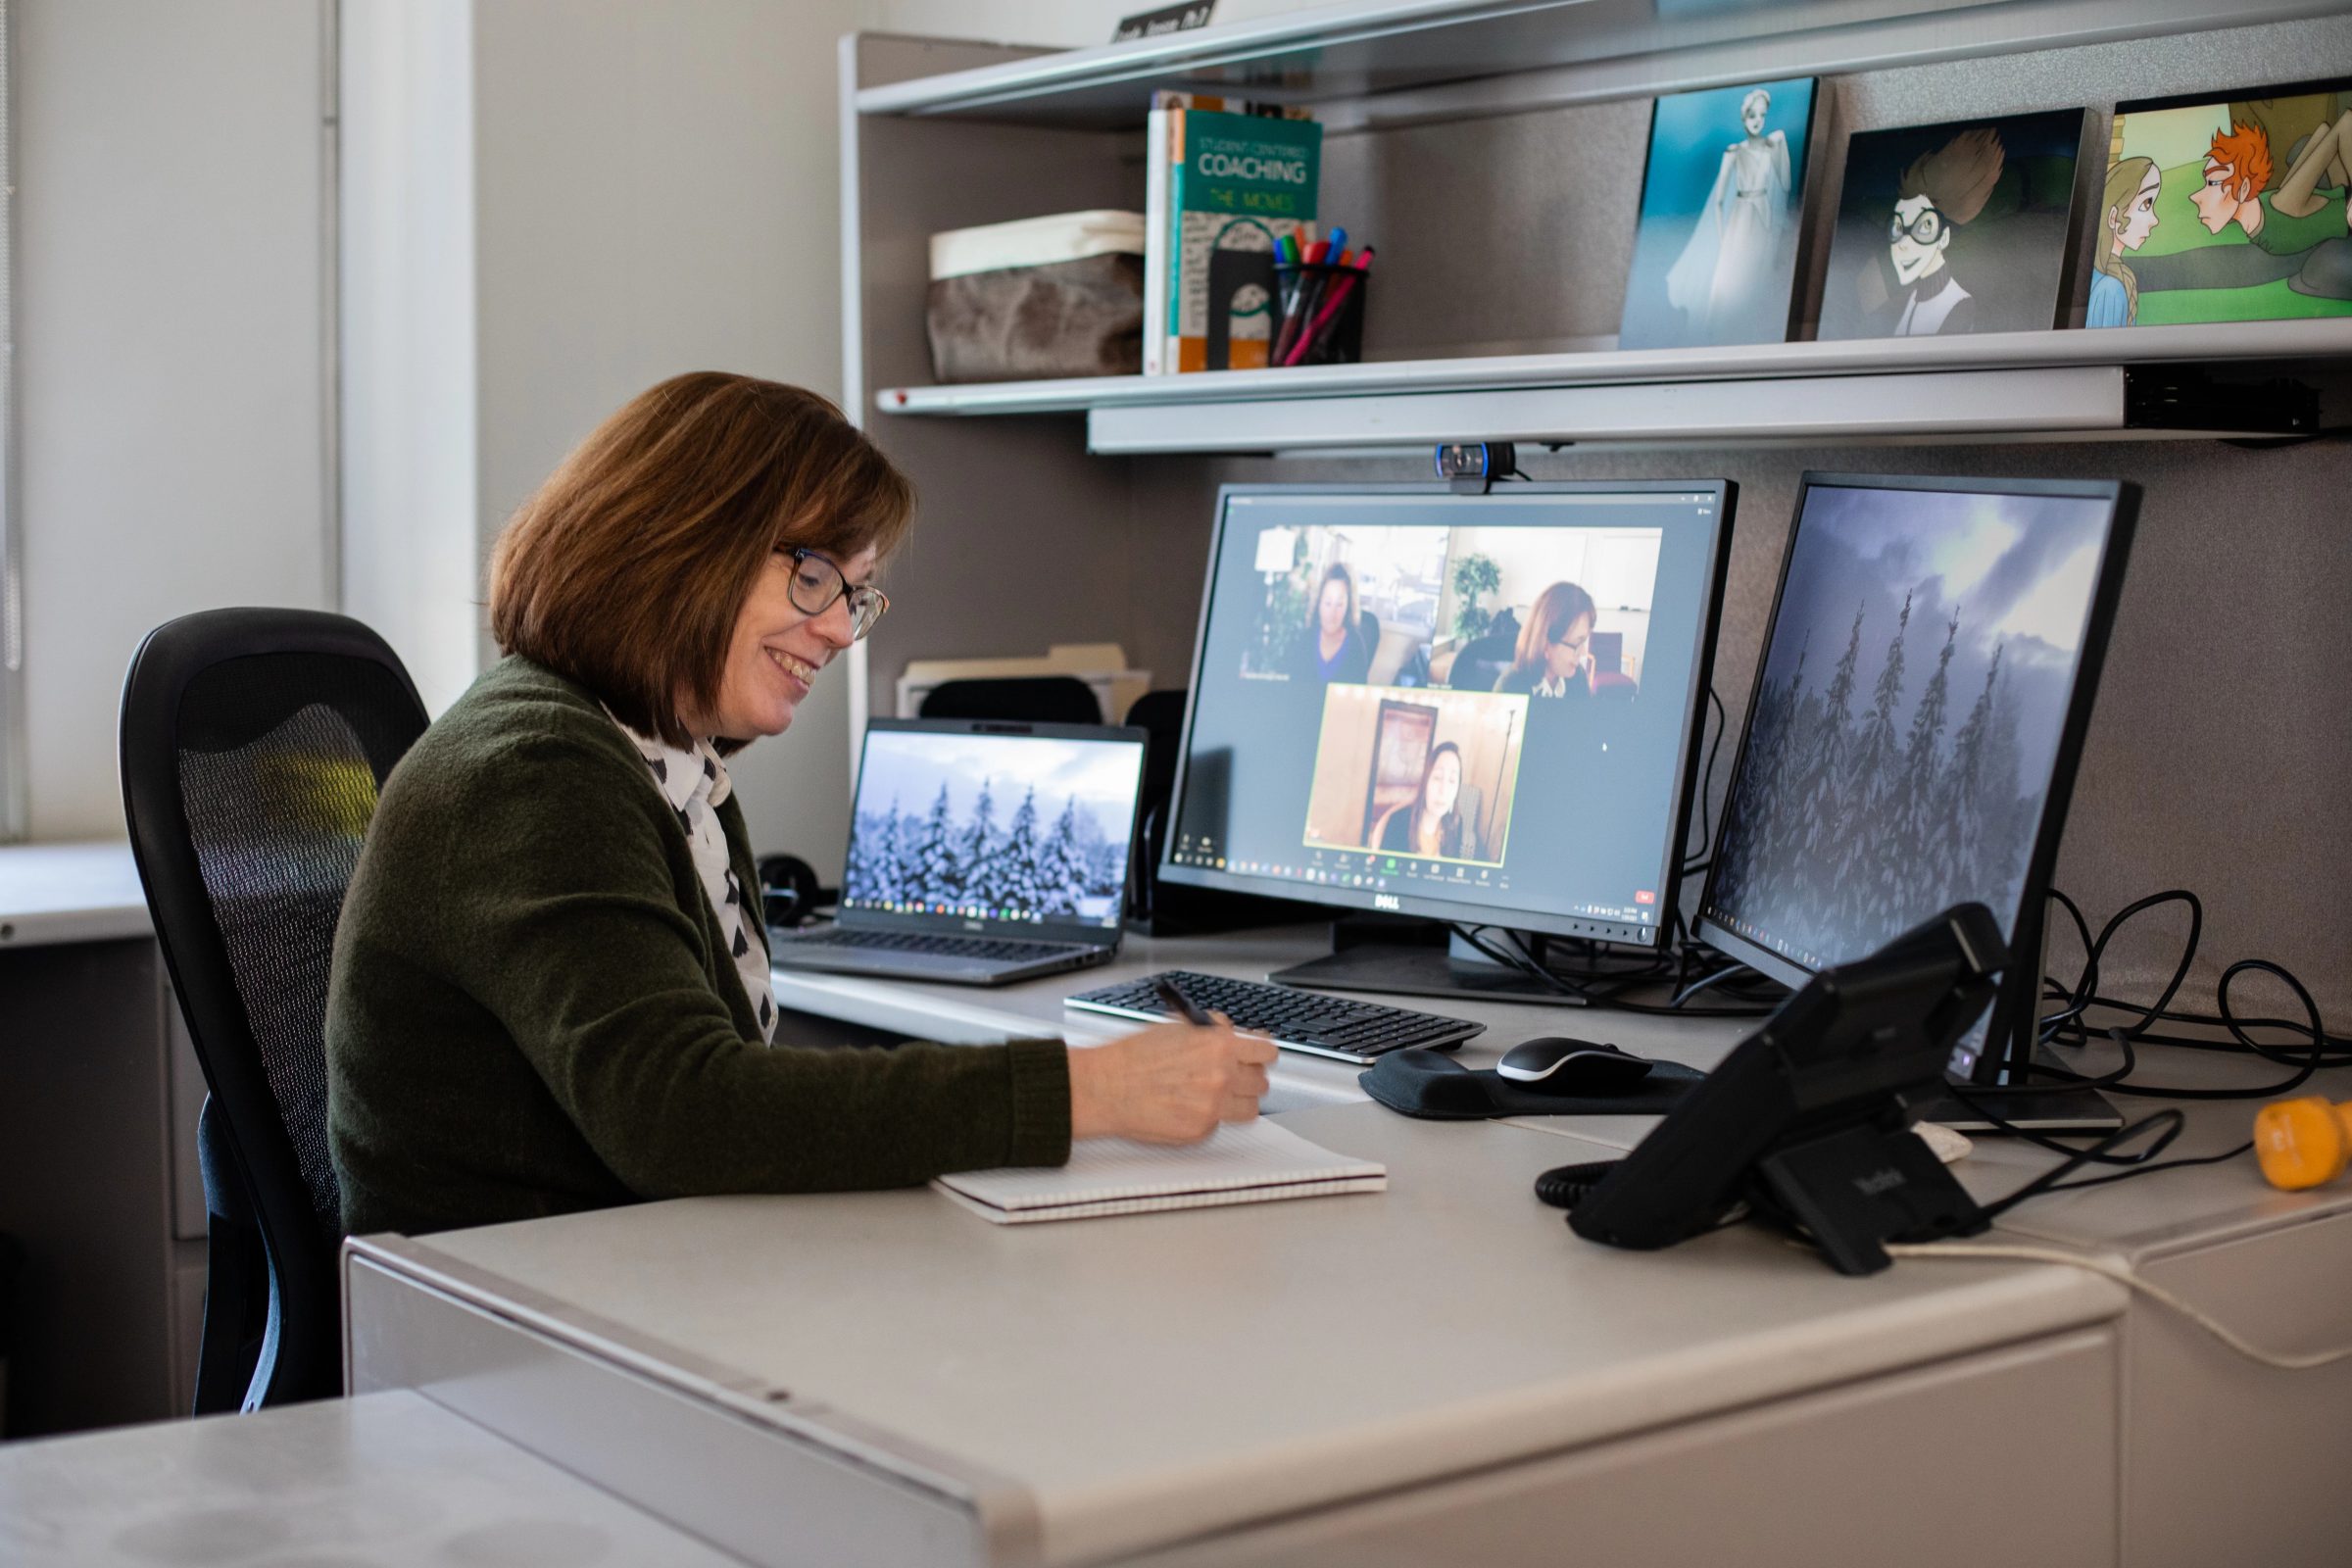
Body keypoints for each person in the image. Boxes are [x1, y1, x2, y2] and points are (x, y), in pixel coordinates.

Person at [325, 372, 1272, 1238]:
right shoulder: (534, 771)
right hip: (514, 1335)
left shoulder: (659, 760)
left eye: (854, 597)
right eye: (814, 576)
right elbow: (683, 1112)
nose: (835, 629)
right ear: (681, 538)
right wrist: (1085, 1091)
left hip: (618, 1270)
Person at [1665, 86, 1793, 342]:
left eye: (1761, 115)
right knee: (1734, 278)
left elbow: (1786, 185)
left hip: (1763, 216)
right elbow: (1719, 200)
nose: (1757, 121)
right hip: (1741, 217)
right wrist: (1723, 236)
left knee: (1758, 276)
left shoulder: (1772, 147)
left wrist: (1779, 148)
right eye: (1752, 115)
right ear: (1743, 118)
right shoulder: (1734, 152)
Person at [1881, 126, 2004, 336]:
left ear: (1944, 237)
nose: (1903, 244)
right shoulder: (1906, 300)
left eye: (1924, 227)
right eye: (1898, 227)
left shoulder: (1960, 307)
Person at [2191, 117, 2350, 259]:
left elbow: (2347, 122)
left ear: (2244, 188)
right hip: (2342, 196)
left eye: (2213, 182)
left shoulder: (2282, 204)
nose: (2195, 197)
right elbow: (2323, 131)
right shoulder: (2269, 205)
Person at [1372, 741, 1478, 860]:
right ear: (1425, 782)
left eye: (1452, 781)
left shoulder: (1457, 825)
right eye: (1437, 778)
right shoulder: (1397, 822)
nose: (1443, 790)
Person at [2087, 156, 2160, 328]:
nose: (2155, 220)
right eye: (2146, 204)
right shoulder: (2110, 288)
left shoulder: (2116, 278)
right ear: (2113, 217)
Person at [1496, 581, 1601, 699]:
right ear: (1546, 643)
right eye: (1577, 643)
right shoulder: (1510, 687)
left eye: (1583, 641)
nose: (1583, 652)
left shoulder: (1577, 677)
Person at [1293, 560, 1373, 685]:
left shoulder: (1356, 645)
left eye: (1339, 605)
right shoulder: (1305, 640)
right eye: (1327, 603)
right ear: (1319, 603)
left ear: (1348, 607)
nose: (1332, 613)